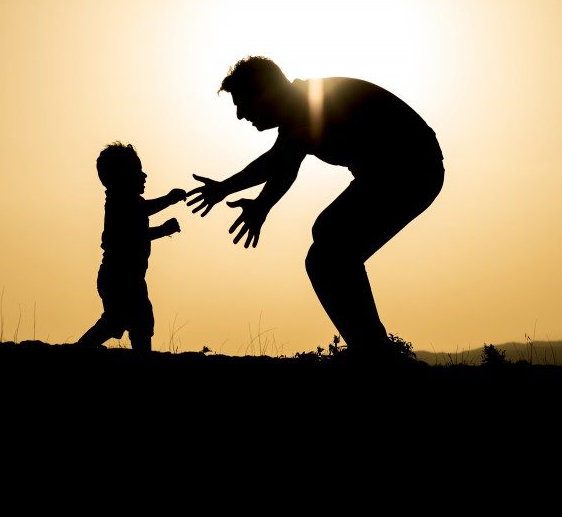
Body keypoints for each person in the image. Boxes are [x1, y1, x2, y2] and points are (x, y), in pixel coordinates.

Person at [187, 56, 444, 360]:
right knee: (327, 247)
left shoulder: (310, 104)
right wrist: (262, 206)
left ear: (265, 92)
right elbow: (287, 163)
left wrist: (223, 188)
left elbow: (277, 161)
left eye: (243, 103)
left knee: (329, 244)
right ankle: (374, 349)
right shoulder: (298, 112)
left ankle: (375, 352)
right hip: (395, 174)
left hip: (412, 171)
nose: (241, 116)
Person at [77, 142, 186, 352]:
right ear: (121, 176)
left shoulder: (127, 204)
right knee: (120, 322)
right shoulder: (120, 201)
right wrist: (169, 199)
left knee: (138, 322)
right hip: (119, 277)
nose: (144, 176)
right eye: (137, 171)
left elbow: (135, 236)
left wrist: (162, 231)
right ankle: (80, 349)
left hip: (129, 277)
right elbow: (142, 211)